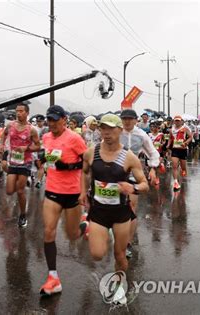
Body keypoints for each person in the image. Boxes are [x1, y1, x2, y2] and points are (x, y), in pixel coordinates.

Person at [79, 114, 149, 303]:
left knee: (119, 254)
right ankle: (92, 229)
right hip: (99, 211)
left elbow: (145, 184)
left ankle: (119, 285)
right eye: (103, 128)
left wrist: (132, 188)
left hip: (120, 213)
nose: (106, 132)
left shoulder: (129, 157)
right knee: (97, 254)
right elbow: (84, 173)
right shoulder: (90, 153)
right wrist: (83, 192)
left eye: (110, 128)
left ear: (119, 130)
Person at [39, 105, 88, 296]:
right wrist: (44, 160)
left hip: (72, 193)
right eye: (48, 120)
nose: (51, 124)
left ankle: (85, 225)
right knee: (48, 231)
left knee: (73, 234)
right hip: (52, 190)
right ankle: (53, 278)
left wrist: (67, 166)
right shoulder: (46, 137)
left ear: (64, 119)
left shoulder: (75, 138)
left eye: (54, 120)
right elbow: (48, 157)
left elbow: (87, 162)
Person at [119, 109, 160, 259]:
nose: (127, 122)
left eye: (130, 119)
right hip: (115, 173)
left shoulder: (141, 135)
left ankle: (127, 243)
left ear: (136, 120)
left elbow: (153, 153)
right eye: (125, 119)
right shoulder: (116, 132)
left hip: (132, 173)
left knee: (131, 207)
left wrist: (152, 169)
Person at [0, 101, 40, 228]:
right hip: (13, 161)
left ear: (27, 113)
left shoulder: (31, 130)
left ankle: (23, 215)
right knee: (10, 191)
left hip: (25, 162)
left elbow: (38, 146)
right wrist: (1, 144)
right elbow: (3, 135)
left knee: (20, 191)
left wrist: (26, 148)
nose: (18, 113)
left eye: (21, 111)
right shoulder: (10, 125)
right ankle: (20, 183)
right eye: (17, 111)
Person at [168, 116, 192, 192]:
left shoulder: (185, 128)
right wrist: (168, 145)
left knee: (183, 168)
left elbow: (191, 137)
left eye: (178, 121)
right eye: (176, 121)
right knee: (174, 166)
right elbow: (170, 138)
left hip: (183, 149)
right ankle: (175, 182)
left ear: (181, 121)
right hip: (175, 149)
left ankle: (183, 170)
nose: (177, 122)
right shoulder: (171, 129)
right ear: (174, 121)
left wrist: (186, 142)